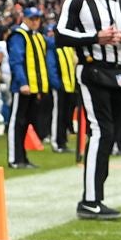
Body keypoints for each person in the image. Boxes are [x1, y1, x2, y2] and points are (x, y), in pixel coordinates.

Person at [56, 0, 121, 220]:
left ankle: (95, 197)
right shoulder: (77, 1)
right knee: (101, 132)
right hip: (92, 71)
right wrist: (95, 37)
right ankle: (90, 200)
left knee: (110, 135)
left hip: (119, 74)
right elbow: (60, 35)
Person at [6, 6, 49, 169]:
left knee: (25, 122)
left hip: (33, 87)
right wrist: (23, 82)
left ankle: (22, 157)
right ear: (24, 19)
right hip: (22, 87)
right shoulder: (19, 35)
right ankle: (14, 158)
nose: (35, 22)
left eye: (37, 19)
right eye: (32, 18)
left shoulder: (37, 36)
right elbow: (16, 60)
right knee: (17, 122)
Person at [46, 23, 78, 154]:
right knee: (57, 115)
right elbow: (51, 65)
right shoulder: (53, 46)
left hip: (69, 85)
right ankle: (56, 142)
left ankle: (63, 141)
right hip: (60, 86)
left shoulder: (68, 47)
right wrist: (56, 84)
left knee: (66, 115)